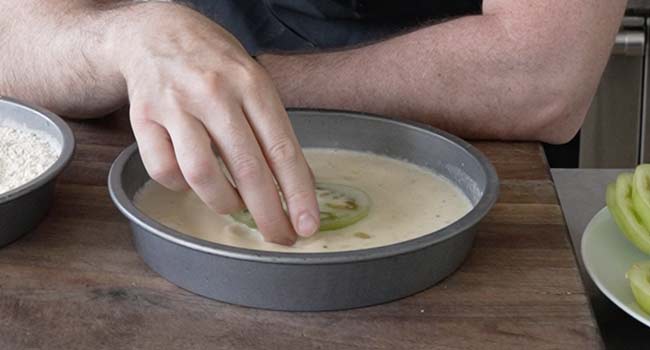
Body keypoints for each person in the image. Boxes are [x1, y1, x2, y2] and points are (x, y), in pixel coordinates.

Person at [0, 0, 625, 245]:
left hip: (475, 191)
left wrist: (245, 83)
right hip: (149, 162)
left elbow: (542, 77)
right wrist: (127, 41)